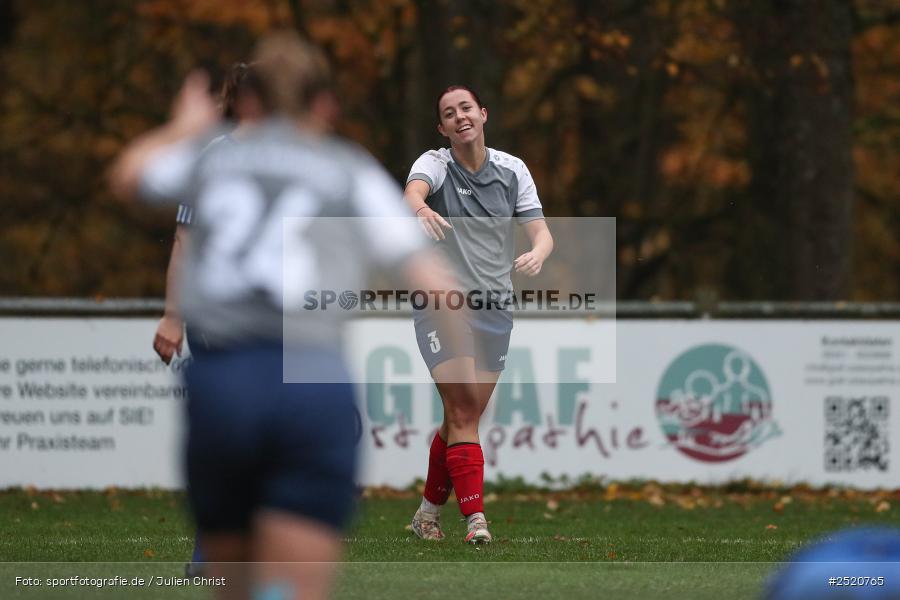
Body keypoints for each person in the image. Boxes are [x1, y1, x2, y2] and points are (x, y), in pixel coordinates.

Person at [112, 32, 467, 600]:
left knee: (231, 582)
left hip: (224, 379)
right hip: (311, 379)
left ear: (247, 102)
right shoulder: (345, 168)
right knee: (297, 587)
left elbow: (129, 177)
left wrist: (182, 126)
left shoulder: (214, 156)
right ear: (324, 104)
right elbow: (437, 285)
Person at [404, 85, 554, 544]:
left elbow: (541, 232)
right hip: (443, 305)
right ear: (442, 127)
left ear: (483, 113)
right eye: (449, 113)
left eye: (466, 108)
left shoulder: (513, 170)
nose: (459, 117)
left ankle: (427, 515)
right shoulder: (435, 163)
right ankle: (476, 521)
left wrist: (539, 253)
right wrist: (421, 208)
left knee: (461, 418)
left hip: (495, 307)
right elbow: (413, 192)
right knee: (464, 411)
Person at [151, 61, 255, 577]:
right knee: (230, 432)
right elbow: (185, 241)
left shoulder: (304, 154)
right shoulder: (213, 158)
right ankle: (209, 552)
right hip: (222, 318)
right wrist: (173, 314)